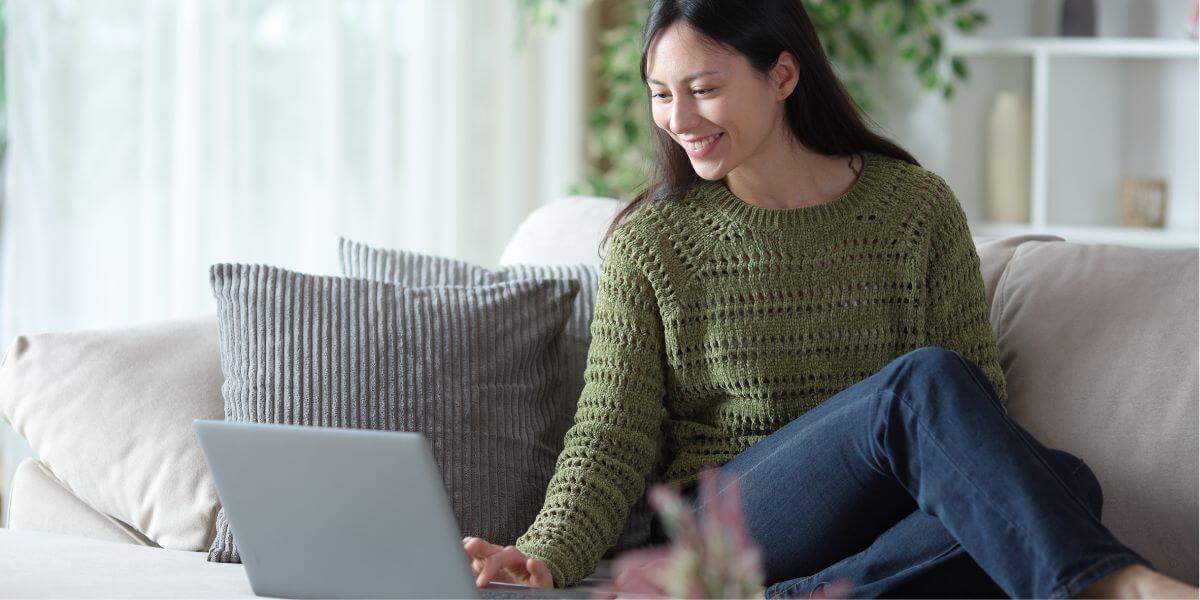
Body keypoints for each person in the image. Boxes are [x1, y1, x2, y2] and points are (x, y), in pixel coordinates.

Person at [462, 0, 1200, 598]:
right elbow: (609, 438)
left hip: (871, 525)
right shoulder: (652, 244)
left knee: (1064, 484)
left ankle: (809, 595)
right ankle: (1120, 587)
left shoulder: (913, 209)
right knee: (924, 385)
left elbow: (978, 407)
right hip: (723, 524)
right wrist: (543, 554)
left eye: (704, 88)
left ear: (783, 75)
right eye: (661, 93)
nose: (678, 119)